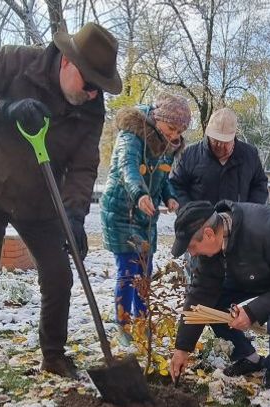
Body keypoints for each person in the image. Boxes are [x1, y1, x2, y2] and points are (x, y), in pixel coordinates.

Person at [0, 23, 122, 396]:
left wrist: (73, 217)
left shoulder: (92, 109)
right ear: (68, 63)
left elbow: (84, 166)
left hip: (42, 200)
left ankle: (53, 354)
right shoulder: (14, 62)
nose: (93, 95)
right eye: (90, 84)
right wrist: (3, 108)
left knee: (59, 275)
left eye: (100, 89)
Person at [169, 200, 270, 394]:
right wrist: (182, 348)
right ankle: (249, 357)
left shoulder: (268, 230)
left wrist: (253, 312)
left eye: (192, 247)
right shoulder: (212, 245)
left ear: (209, 234)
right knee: (211, 308)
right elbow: (200, 295)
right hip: (256, 276)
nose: (191, 253)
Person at [100, 92, 191, 345]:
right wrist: (140, 194)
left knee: (145, 271)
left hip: (145, 215)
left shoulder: (168, 143)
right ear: (157, 118)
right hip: (122, 212)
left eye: (179, 131)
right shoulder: (132, 135)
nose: (174, 135)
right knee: (129, 271)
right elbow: (128, 169)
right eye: (171, 128)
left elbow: (162, 179)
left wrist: (170, 197)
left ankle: (142, 322)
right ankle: (123, 324)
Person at [169, 107, 268, 206]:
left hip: (238, 220)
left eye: (225, 142)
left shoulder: (249, 155)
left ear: (233, 136)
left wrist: (248, 213)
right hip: (198, 219)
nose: (219, 146)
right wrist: (190, 212)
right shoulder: (190, 154)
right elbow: (176, 185)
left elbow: (260, 186)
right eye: (215, 141)